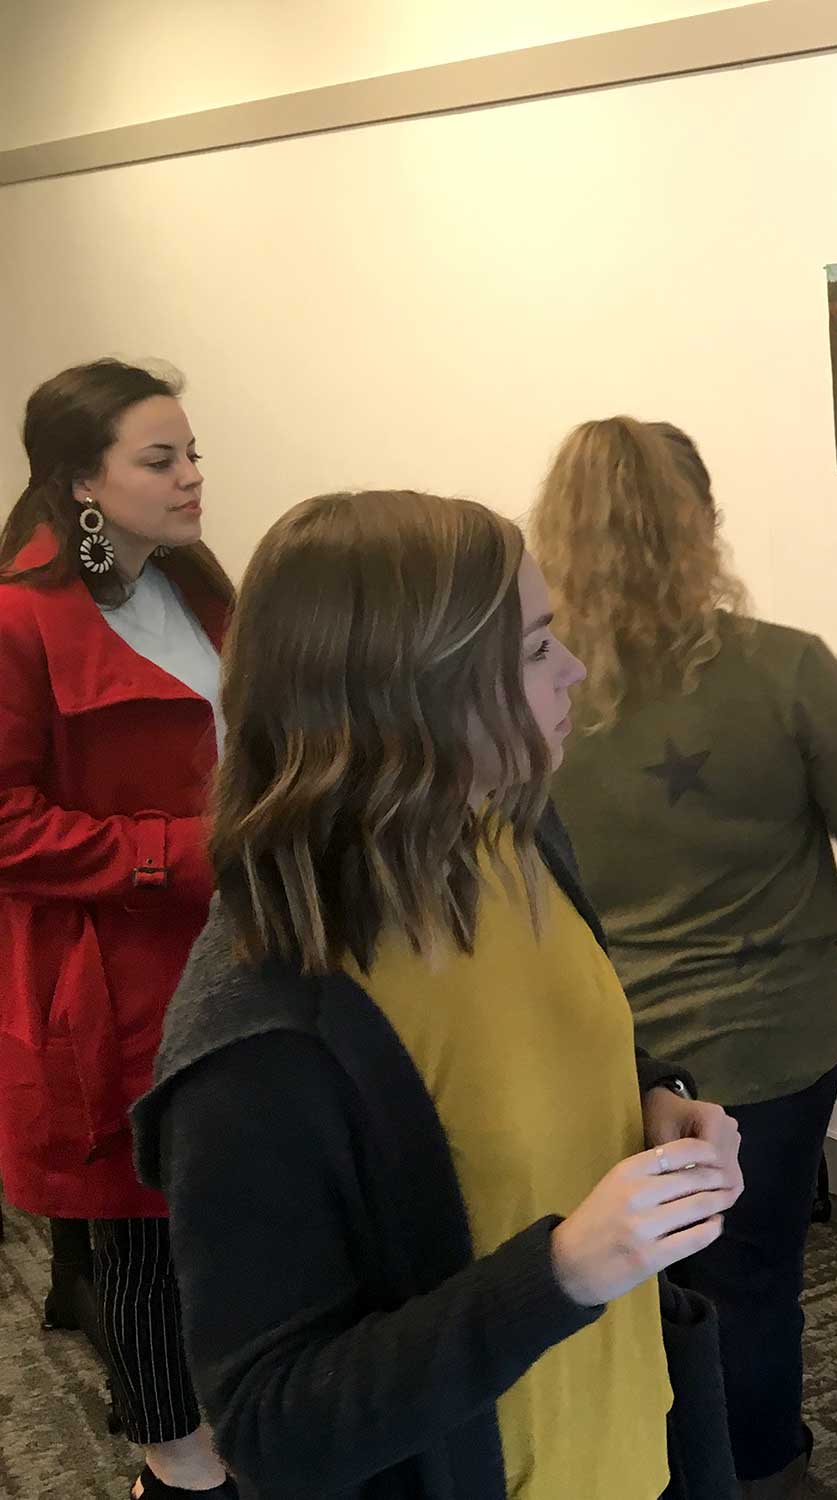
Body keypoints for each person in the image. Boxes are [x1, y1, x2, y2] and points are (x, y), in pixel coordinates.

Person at [132, 490, 746, 1500]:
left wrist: (653, 1099)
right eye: (540, 649)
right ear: (416, 694)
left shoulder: (516, 834)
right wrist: (557, 1278)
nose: (575, 672)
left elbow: (526, 1063)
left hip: (640, 1436)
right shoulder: (261, 1034)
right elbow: (274, 1428)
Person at [531, 417, 837, 1499]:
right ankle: (763, 1477)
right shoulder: (786, 670)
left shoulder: (530, 697)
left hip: (602, 1046)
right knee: (751, 1282)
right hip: (777, 1051)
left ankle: (643, 1468)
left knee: (616, 1279)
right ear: (703, 526)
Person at [0, 359, 237, 1499]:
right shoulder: (19, 621)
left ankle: (233, 1420)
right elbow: (4, 826)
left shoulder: (199, 587)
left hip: (240, 945)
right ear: (81, 485)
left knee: (236, 1197)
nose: (194, 476)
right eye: (162, 459)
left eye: (193, 452)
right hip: (118, 969)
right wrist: (170, 853)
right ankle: (171, 1463)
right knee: (143, 1226)